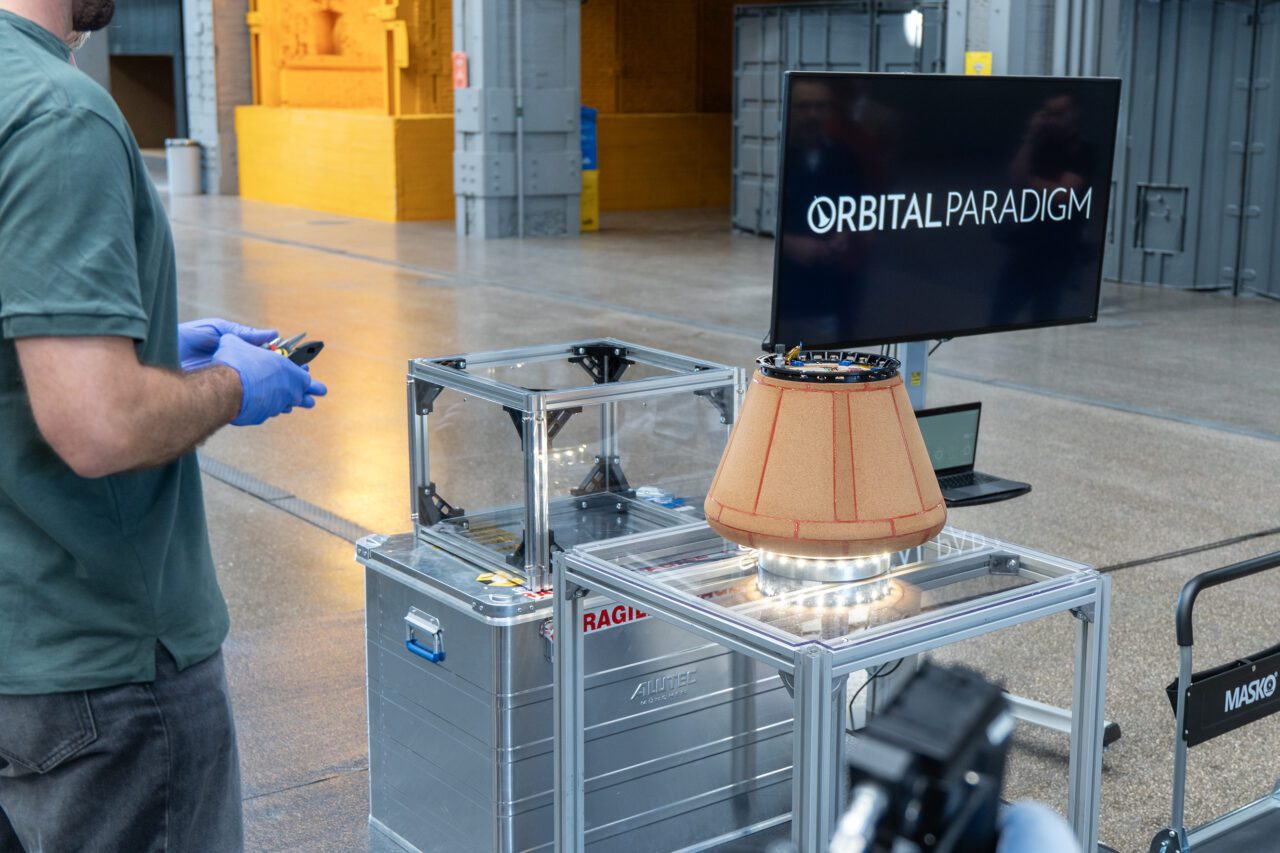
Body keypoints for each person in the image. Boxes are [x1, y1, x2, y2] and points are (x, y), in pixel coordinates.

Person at [0, 1, 326, 850]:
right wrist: (234, 384)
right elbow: (98, 427)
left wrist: (139, 345)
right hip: (100, 669)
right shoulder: (57, 112)